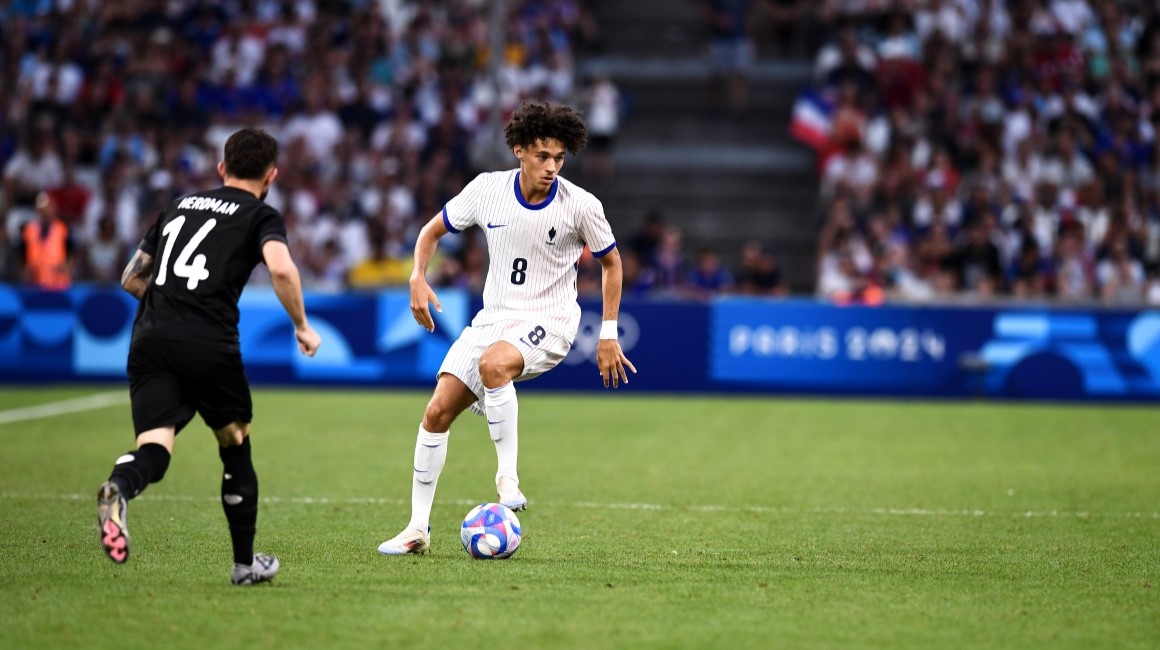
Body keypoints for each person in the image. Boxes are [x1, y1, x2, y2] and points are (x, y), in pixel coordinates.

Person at [378, 101, 637, 555]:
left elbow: (612, 264)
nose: (551, 167)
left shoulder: (581, 205)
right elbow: (430, 232)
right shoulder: (487, 190)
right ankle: (417, 528)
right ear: (519, 150)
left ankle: (507, 480)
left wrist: (609, 333)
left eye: (559, 158)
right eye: (542, 156)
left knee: (493, 365)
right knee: (436, 413)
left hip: (551, 320)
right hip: (493, 319)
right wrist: (417, 276)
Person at [95, 128, 322, 586]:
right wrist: (301, 324)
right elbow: (281, 268)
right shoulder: (261, 214)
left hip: (150, 339)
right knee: (235, 442)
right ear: (271, 176)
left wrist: (170, 307)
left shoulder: (178, 205)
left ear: (222, 168)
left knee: (155, 448)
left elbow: (131, 278)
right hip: (208, 341)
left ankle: (119, 486)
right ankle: (244, 566)